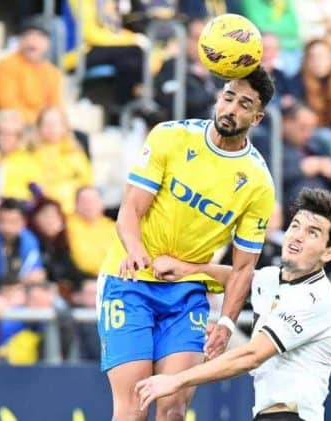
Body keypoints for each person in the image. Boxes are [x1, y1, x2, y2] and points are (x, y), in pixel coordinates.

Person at [99, 68, 276, 421]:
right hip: (129, 282)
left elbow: (244, 268)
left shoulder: (258, 183)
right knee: (134, 407)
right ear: (218, 97)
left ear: (257, 117)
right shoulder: (171, 137)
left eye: (244, 104)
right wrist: (136, 252)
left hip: (186, 294)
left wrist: (226, 323)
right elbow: (130, 210)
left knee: (174, 408)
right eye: (228, 97)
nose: (231, 109)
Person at [135, 188, 331, 421]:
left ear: (328, 253)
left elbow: (252, 355)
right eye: (295, 225)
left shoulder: (315, 298)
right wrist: (186, 269)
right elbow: (235, 278)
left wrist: (176, 380)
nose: (298, 235)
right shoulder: (273, 278)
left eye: (312, 233)